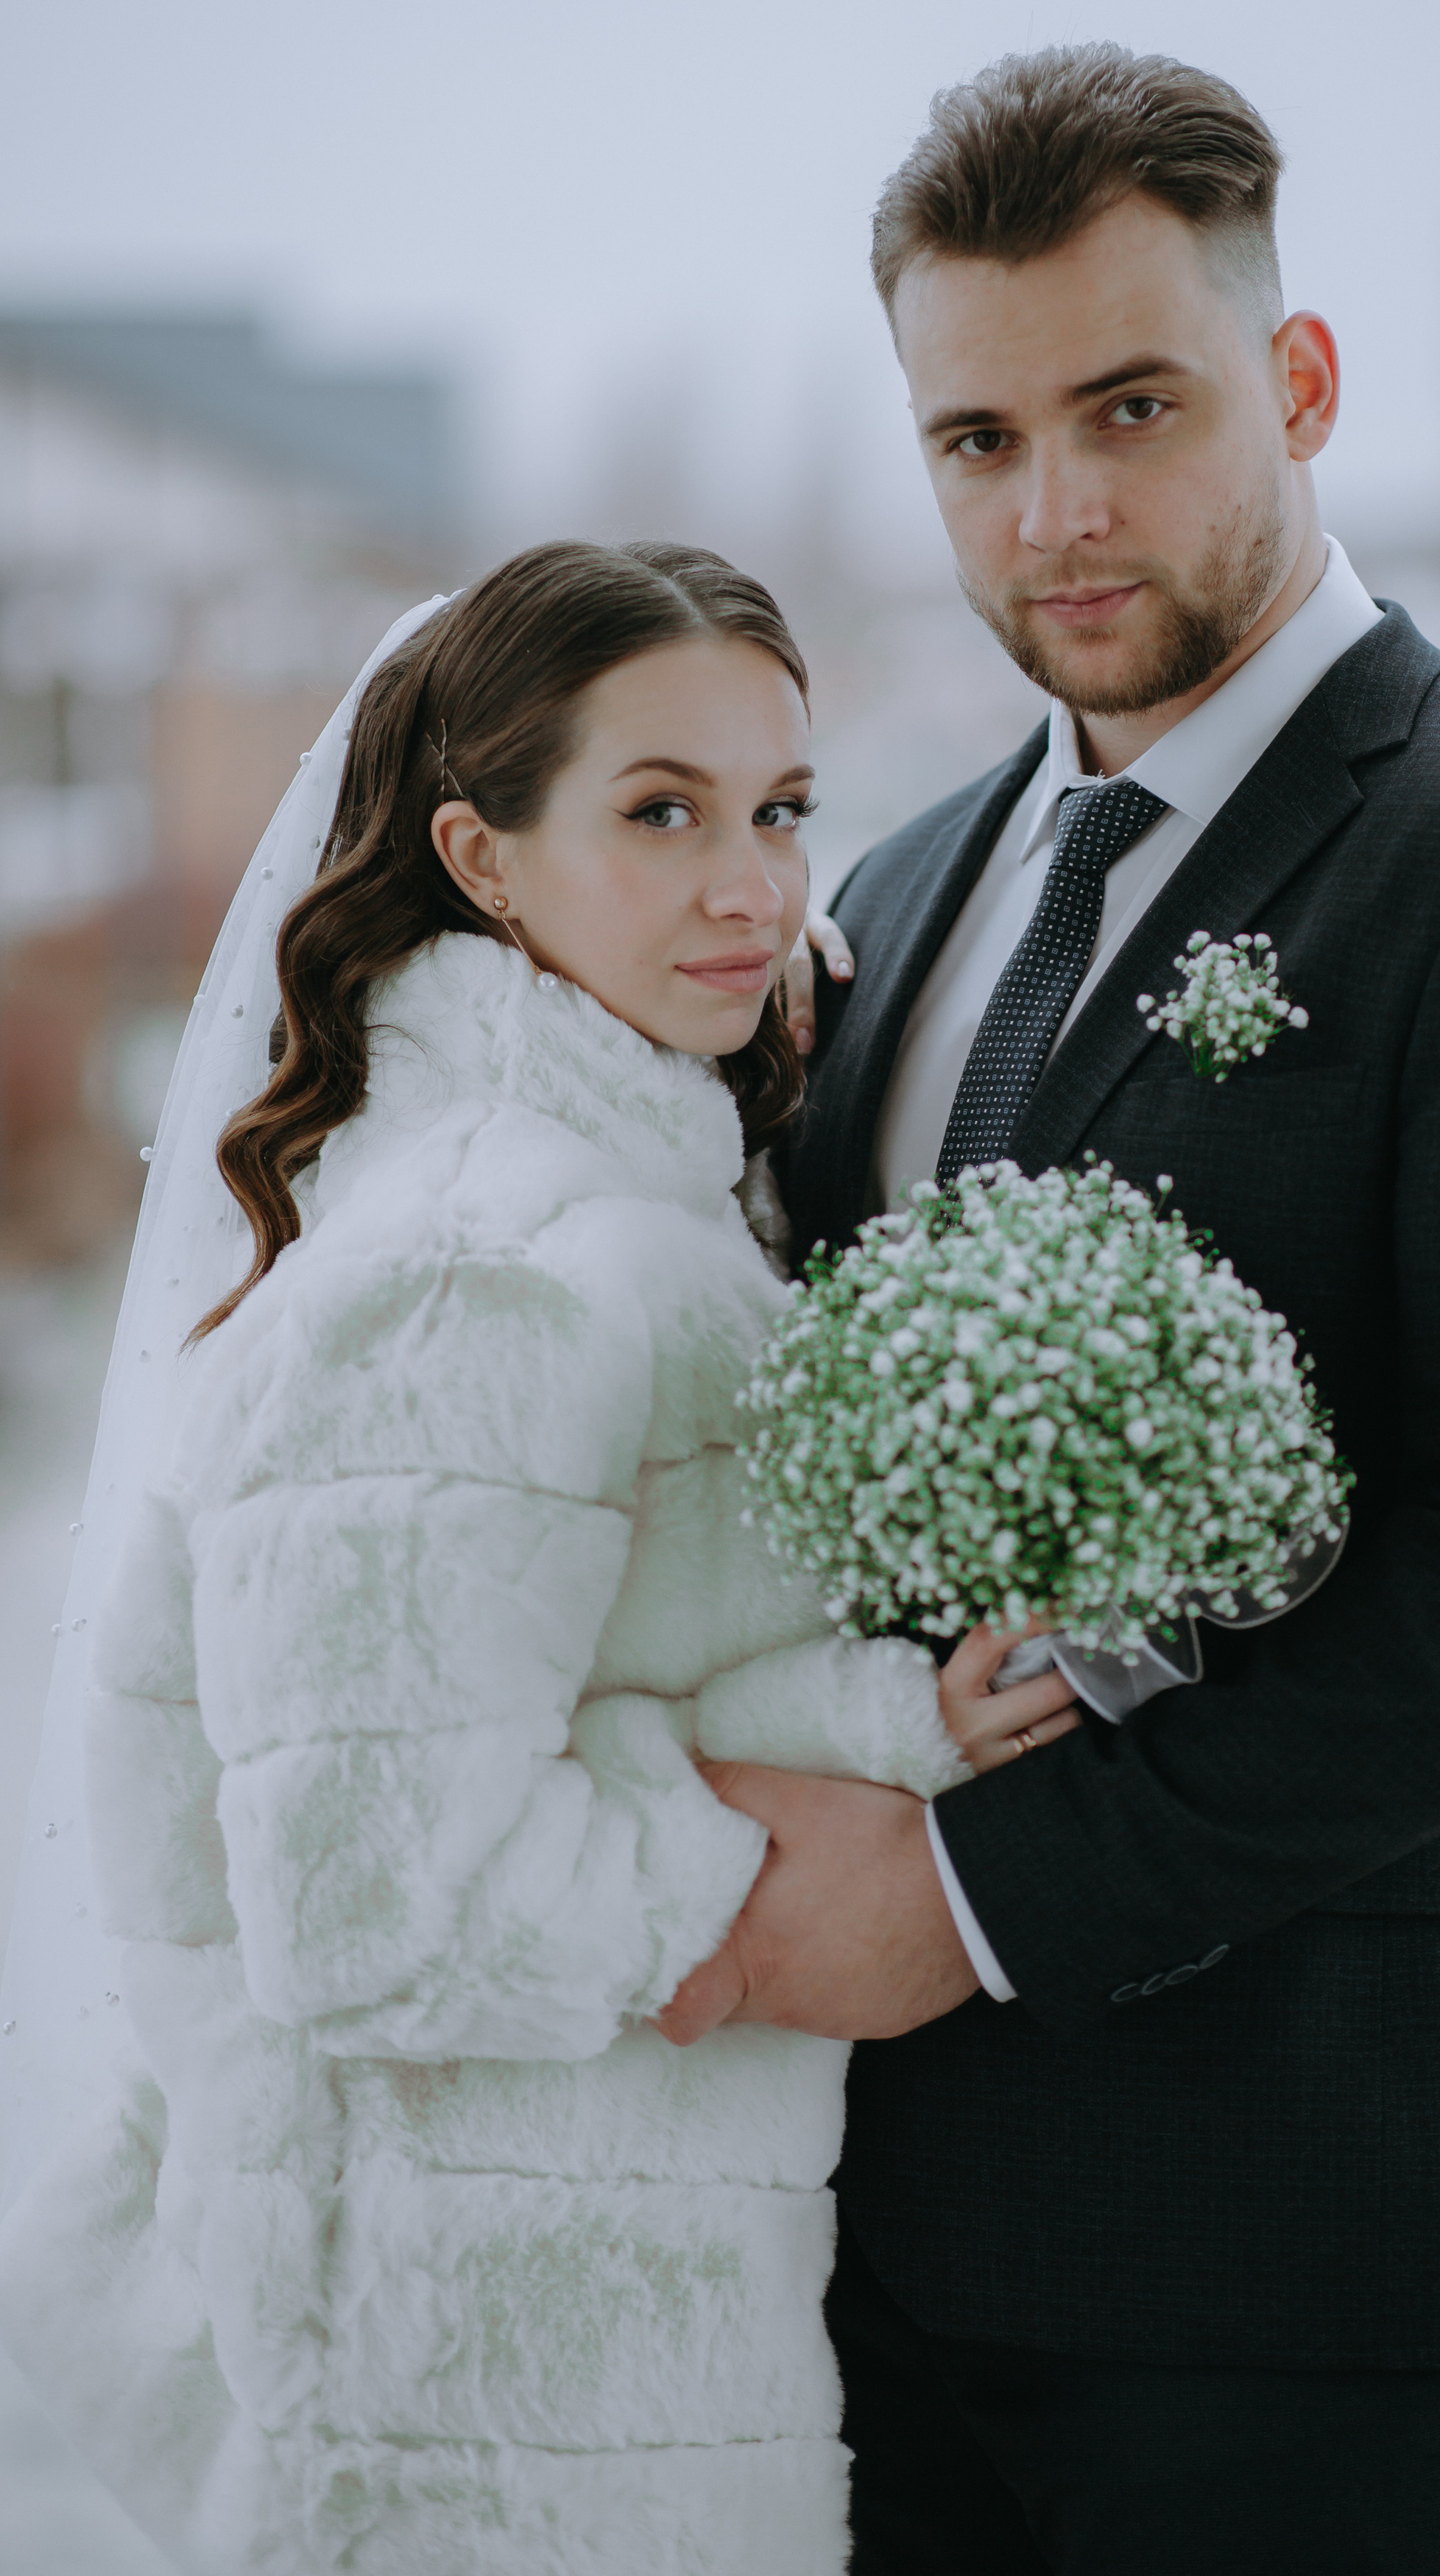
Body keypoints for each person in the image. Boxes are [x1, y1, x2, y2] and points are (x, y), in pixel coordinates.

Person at [659, 47, 1440, 2575]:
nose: (1052, 511)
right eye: (974, 439)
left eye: (1131, 408)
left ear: (1300, 384)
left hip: (1348, 2245)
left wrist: (965, 1903)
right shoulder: (916, 882)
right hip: (889, 2254)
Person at [0, 540, 973, 2575]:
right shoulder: (478, 1269)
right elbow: (373, 1904)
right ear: (484, 856)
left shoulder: (631, 1213)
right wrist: (801, 1860)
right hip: (478, 2415)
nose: (754, 887)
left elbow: (614, 1681)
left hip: (611, 2355)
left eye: (783, 811)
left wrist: (922, 1714)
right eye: (662, 812)